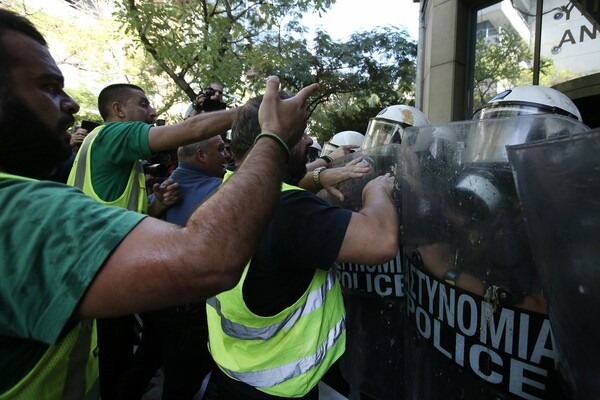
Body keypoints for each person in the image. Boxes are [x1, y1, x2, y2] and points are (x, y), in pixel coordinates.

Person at [0, 8, 318, 399]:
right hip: (100, 283)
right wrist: (267, 126)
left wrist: (153, 207)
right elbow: (205, 258)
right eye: (49, 86)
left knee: (134, 363)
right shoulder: (110, 139)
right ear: (118, 111)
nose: (69, 103)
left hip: (100, 278)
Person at [205, 93, 400, 399]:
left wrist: (319, 178)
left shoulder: (228, 188)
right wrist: (377, 192)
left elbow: (271, 190)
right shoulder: (290, 209)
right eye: (298, 134)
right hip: (281, 386)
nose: (309, 140)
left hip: (234, 370)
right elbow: (380, 240)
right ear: (271, 140)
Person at [119, 134, 229, 400]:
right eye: (220, 149)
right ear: (201, 156)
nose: (226, 154)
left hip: (156, 301)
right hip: (187, 309)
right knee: (181, 380)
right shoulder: (221, 189)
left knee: (147, 359)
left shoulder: (164, 189)